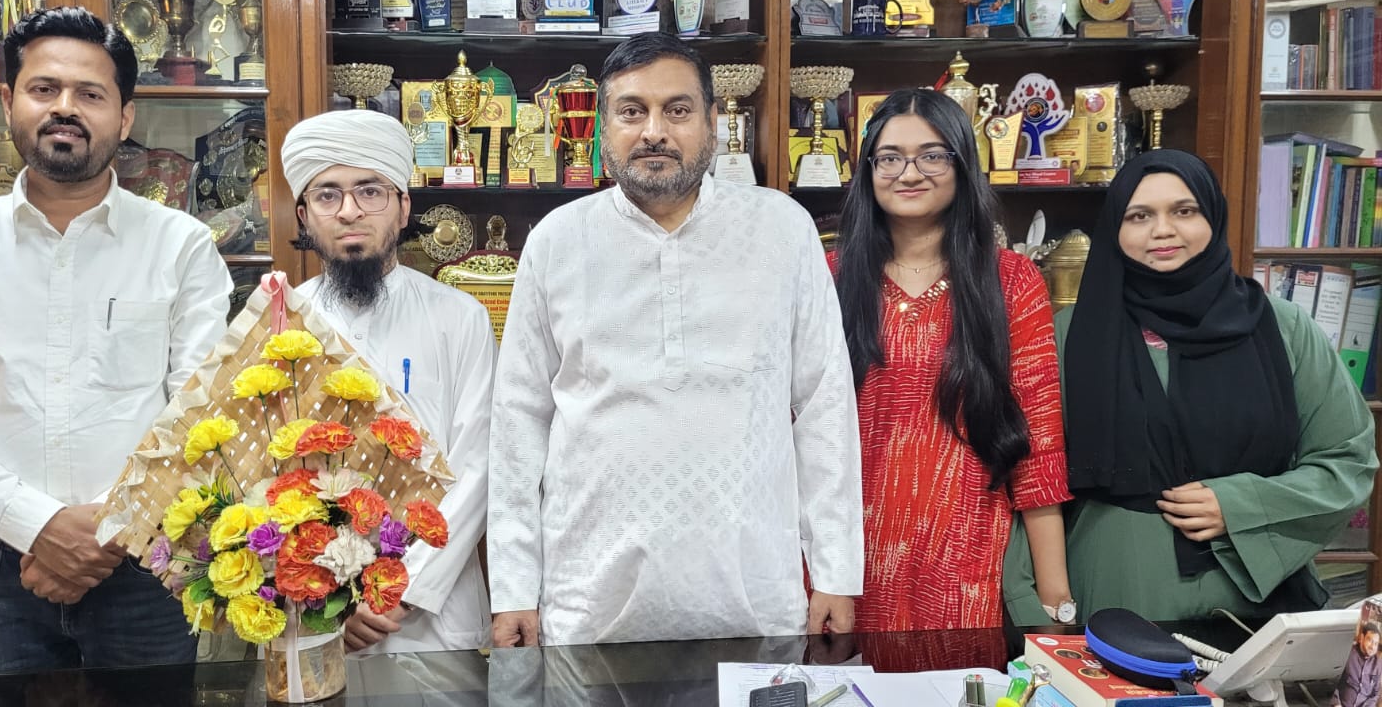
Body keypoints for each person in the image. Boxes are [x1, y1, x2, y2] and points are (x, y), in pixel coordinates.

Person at [0, 7, 232, 677]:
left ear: (125, 118)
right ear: (9, 101)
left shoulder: (180, 245)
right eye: (45, 89)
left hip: (146, 563)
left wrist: (106, 535)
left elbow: (201, 415)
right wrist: (37, 526)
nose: (65, 108)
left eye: (91, 94)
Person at [487, 32, 863, 647]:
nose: (654, 131)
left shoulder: (781, 231)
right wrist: (512, 587)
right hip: (590, 602)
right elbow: (518, 424)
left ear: (714, 122)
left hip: (753, 598)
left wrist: (837, 570)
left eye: (678, 110)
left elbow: (825, 408)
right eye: (632, 111)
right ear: (602, 127)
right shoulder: (557, 241)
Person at [1009, 149, 1377, 621]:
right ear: (1114, 230)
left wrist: (1241, 504)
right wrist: (1039, 608)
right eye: (1139, 215)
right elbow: (1028, 477)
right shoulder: (1069, 336)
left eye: (1184, 211)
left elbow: (1347, 461)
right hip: (1113, 595)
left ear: (1214, 214)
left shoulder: (1282, 329)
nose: (1163, 230)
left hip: (1257, 602)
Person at [834, 89, 1072, 632]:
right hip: (845, 562)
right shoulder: (830, 278)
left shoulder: (1011, 280)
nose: (908, 172)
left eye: (933, 155)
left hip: (965, 556)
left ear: (963, 165)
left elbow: (1039, 446)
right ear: (868, 169)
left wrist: (1056, 601)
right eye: (889, 156)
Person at [281, 109, 495, 653]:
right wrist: (329, 592)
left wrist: (398, 590)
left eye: (370, 191)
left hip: (427, 615)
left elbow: (479, 466)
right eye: (328, 195)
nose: (349, 210)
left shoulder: (459, 316)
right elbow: (258, 473)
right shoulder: (282, 322)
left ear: (403, 208)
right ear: (304, 216)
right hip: (313, 607)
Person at [1336, 622, 1382, 707]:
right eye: (1370, 640)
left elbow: (1375, 694)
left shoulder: (1378, 664)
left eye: (1376, 644)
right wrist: (1336, 703)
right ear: (1361, 638)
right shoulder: (1348, 654)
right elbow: (1334, 683)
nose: (1372, 647)